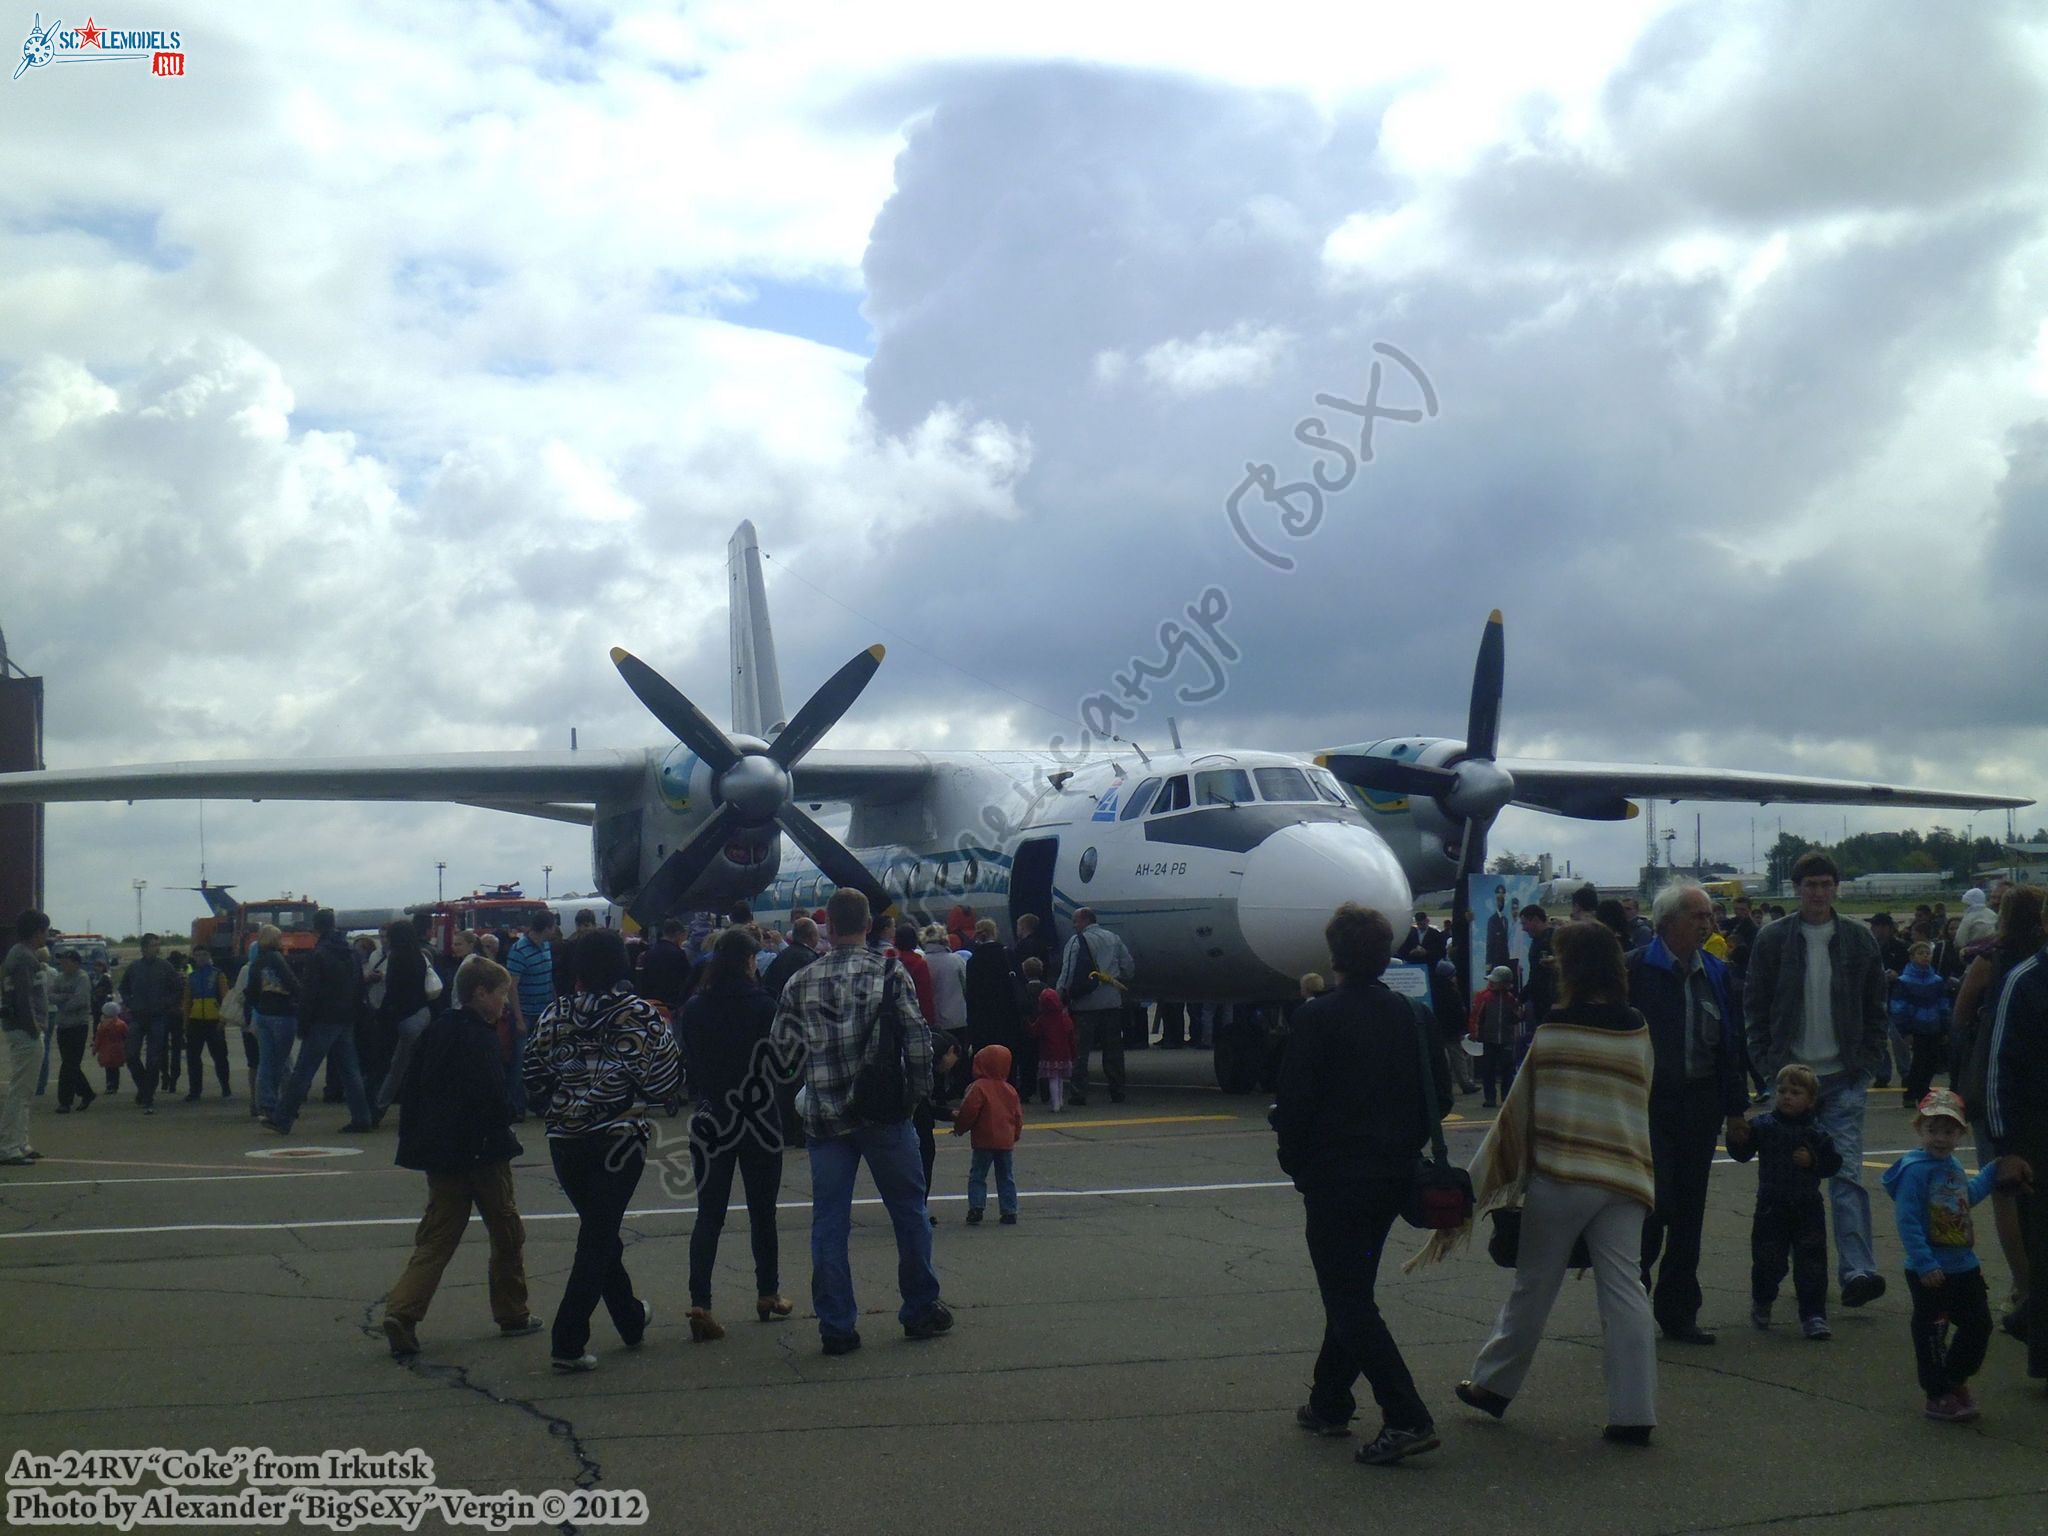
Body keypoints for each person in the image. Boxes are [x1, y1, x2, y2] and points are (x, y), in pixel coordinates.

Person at [1424, 920, 1658, 1445]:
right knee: (1626, 1290)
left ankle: (1492, 1385)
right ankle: (1633, 1411)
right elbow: (1642, 1091)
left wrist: (1486, 1176)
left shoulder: (1555, 1028)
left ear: (1571, 967)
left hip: (1565, 1173)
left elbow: (1522, 1109)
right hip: (1624, 1171)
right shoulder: (1636, 1026)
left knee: (1534, 1284)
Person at [1276, 903, 1450, 1467]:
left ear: (1335, 955)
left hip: (1335, 1178)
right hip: (1393, 1175)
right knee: (1351, 1289)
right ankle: (1329, 1402)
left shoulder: (1315, 1017)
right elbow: (1441, 1097)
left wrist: (1296, 1163)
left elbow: (1296, 1106)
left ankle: (1406, 1414)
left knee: (1347, 1297)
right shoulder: (1413, 1015)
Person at [771, 887, 950, 1356]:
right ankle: (918, 1309)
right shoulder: (889, 973)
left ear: (827, 926)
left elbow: (783, 1055)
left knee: (829, 1221)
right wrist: (914, 1100)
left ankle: (837, 1326)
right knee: (908, 1213)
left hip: (826, 1118)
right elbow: (917, 1044)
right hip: (883, 1114)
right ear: (868, 925)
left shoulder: (800, 982)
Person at [523, 928, 682, 1370]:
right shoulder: (641, 1016)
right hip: (619, 1139)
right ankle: (568, 1338)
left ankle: (630, 1318)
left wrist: (566, 1096)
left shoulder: (554, 1014)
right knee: (597, 1235)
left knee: (599, 1231)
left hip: (565, 1141)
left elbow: (533, 1077)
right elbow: (666, 1083)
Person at [1744, 851, 1890, 1309]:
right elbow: (1755, 1005)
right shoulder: (1772, 940)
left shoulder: (1859, 940)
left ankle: (1858, 1271)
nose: (1818, 892)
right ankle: (1782, 1269)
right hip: (1790, 1079)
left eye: (1826, 883)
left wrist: (1865, 1064)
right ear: (1796, 888)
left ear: (1836, 888)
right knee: (1785, 1184)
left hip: (1843, 1077)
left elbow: (1875, 1006)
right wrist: (1769, 1065)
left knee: (1846, 1175)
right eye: (1810, 884)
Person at [381, 955, 540, 1359]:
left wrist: (418, 1141)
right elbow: (490, 1095)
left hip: (442, 1153)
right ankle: (512, 1312)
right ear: (480, 993)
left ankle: (403, 1311)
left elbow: (413, 1090)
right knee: (506, 1232)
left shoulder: (437, 1032)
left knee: (437, 1237)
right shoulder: (481, 1037)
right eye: (501, 994)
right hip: (483, 1152)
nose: (505, 1004)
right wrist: (505, 1120)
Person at [1627, 882, 1749, 1345]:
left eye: (1709, 915)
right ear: (1668, 923)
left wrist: (1736, 1109)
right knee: (1652, 1206)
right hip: (1649, 1106)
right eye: (1697, 915)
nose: (1708, 923)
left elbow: (1729, 1046)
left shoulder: (1716, 972)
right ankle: (1631, 1305)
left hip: (1700, 1105)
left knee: (1690, 1212)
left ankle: (1678, 1311)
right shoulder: (1636, 969)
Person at [1882, 1088, 2033, 1423]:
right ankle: (1937, 1393)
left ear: (1960, 1133)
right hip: (1930, 1269)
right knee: (1932, 1333)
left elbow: (1967, 1198)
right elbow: (1907, 1221)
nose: (1940, 1138)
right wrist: (1924, 1262)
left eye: (1948, 1131)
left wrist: (1991, 1172)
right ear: (1919, 1129)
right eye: (1932, 1129)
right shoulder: (1914, 1171)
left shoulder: (1950, 1165)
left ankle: (1955, 1378)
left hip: (1963, 1265)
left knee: (1979, 1325)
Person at [674, 926, 793, 1341]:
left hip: (711, 1116)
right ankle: (768, 1292)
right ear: (748, 962)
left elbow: (686, 1057)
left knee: (709, 1214)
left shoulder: (695, 1008)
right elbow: (782, 1062)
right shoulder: (765, 1006)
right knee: (763, 1212)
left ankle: (700, 1301)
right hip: (758, 1117)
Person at [1950, 883, 2044, 1337]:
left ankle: (2023, 1285)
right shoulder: (2035, 962)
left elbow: (1960, 1012)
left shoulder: (1990, 958)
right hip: (2030, 1088)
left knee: (2003, 1187)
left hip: (1995, 1075)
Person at [1728, 1064, 1842, 1338]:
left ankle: (1813, 1314)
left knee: (1812, 1263)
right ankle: (1763, 1300)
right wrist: (1737, 1137)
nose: (1787, 1097)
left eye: (1795, 1092)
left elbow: (1833, 1163)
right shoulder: (1764, 1125)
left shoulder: (1816, 1132)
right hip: (1771, 1205)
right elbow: (1742, 1152)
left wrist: (1813, 1161)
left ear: (1811, 1100)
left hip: (1807, 1206)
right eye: (1782, 1091)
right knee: (1768, 1260)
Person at [1983, 907, 2048, 1382]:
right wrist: (2007, 1146)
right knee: (2043, 1249)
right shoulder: (2023, 982)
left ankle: (2028, 1320)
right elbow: (1998, 1068)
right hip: (2036, 1136)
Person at [265, 910, 374, 1135]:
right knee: (350, 1070)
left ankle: (283, 1118)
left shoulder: (319, 954)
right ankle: (362, 1117)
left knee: (304, 1071)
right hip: (345, 1017)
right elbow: (358, 985)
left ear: (316, 928)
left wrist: (304, 1022)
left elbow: (310, 993)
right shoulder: (351, 952)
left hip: (323, 1018)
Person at [1059, 908, 1135, 1107]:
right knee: (1113, 1050)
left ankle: (1078, 1093)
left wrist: (1061, 994)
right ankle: (1117, 1091)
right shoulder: (1113, 938)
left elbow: (1068, 971)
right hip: (1111, 1001)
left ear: (1084, 921)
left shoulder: (1077, 941)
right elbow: (1128, 967)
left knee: (1080, 1051)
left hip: (1085, 1004)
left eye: (1075, 921)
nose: (1074, 925)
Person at [373, 919, 441, 1122]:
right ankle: (426, 1108)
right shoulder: (420, 956)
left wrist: (382, 1015)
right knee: (421, 1065)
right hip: (423, 1012)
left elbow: (393, 992)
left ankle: (379, 1108)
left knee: (397, 1068)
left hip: (406, 1017)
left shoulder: (396, 958)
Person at [952, 1041, 1023, 1225]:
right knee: (1006, 1175)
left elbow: (969, 1111)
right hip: (1005, 1140)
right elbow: (1017, 1116)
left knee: (978, 1174)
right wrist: (1015, 1134)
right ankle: (1009, 1210)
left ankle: (977, 1207)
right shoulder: (1010, 1090)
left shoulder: (978, 1087)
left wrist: (960, 1128)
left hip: (983, 1139)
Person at [1, 910, 51, 1162]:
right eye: (44, 931)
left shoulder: (22, 954)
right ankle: (9, 1145)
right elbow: (24, 997)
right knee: (21, 1090)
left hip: (22, 1028)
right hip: (25, 1030)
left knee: (25, 1090)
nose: (46, 936)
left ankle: (20, 1142)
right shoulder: (23, 957)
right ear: (36, 931)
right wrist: (34, 1025)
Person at [117, 932, 180, 1113]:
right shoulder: (134, 967)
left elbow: (177, 989)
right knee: (130, 1055)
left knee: (153, 1059)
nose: (157, 948)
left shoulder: (165, 967)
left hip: (158, 1018)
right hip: (138, 1016)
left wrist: (165, 1004)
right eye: (153, 945)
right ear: (144, 948)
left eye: (158, 945)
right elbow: (123, 987)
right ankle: (144, 1087)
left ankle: (148, 1095)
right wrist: (130, 1002)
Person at [245, 926, 302, 1123]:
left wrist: (259, 1005)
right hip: (282, 1014)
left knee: (266, 1062)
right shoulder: (276, 958)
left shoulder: (256, 962)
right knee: (281, 1061)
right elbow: (291, 982)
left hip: (263, 1015)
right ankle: (283, 1105)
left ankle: (267, 1105)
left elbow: (250, 991)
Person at [504, 913, 555, 1123]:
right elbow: (511, 986)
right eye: (553, 927)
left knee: (542, 1061)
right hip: (525, 1012)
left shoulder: (546, 946)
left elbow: (548, 978)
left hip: (544, 1011)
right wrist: (518, 1019)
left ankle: (540, 1102)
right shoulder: (519, 950)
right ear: (546, 928)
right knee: (520, 1062)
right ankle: (517, 1106)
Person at [1890, 941, 1950, 1108]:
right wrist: (1905, 1030)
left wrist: (1945, 1025)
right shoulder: (1904, 980)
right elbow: (1898, 1007)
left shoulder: (1936, 980)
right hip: (1916, 1027)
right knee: (1918, 1061)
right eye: (1921, 953)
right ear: (1912, 957)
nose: (1925, 956)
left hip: (1934, 1026)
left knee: (1931, 1061)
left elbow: (1943, 1003)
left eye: (1927, 953)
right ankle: (1913, 1092)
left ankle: (1922, 1090)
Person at [962, 918, 1021, 1071]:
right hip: (1008, 1015)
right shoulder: (1007, 954)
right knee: (1008, 1057)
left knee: (987, 1060)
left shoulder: (974, 960)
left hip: (983, 1019)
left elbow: (970, 994)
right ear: (994, 933)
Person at [48, 949, 96, 1113]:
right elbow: (51, 996)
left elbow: (80, 1000)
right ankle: (87, 1093)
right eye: (61, 961)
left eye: (66, 961)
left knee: (69, 1064)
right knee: (70, 1063)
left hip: (78, 1026)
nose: (63, 964)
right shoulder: (60, 978)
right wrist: (65, 997)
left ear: (76, 963)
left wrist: (64, 1001)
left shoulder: (82, 978)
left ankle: (65, 1102)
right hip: (63, 1026)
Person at [180, 949, 232, 1102]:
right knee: (193, 1058)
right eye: (198, 955)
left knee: (220, 1057)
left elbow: (225, 998)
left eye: (204, 955)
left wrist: (223, 1020)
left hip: (214, 1021)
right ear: (194, 958)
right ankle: (195, 1090)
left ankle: (225, 1086)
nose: (201, 958)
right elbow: (187, 1001)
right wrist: (185, 1023)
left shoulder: (218, 975)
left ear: (209, 957)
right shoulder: (192, 977)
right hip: (195, 1021)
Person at [1467, 966, 1520, 1109]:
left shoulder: (1510, 998)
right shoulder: (1485, 996)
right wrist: (1475, 1033)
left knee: (1507, 1070)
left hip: (1505, 1039)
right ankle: (1490, 1098)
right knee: (1488, 1070)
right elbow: (1476, 1016)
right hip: (1490, 1039)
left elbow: (1516, 1018)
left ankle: (1505, 1097)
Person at [1030, 983, 1076, 1112]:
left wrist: (1027, 1024)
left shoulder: (1043, 1019)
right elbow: (1071, 1036)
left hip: (1049, 1054)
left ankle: (1055, 1103)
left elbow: (1034, 1032)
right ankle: (1060, 1102)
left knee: (1052, 1079)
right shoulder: (1064, 1018)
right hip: (1064, 1053)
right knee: (1060, 1078)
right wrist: (1073, 1052)